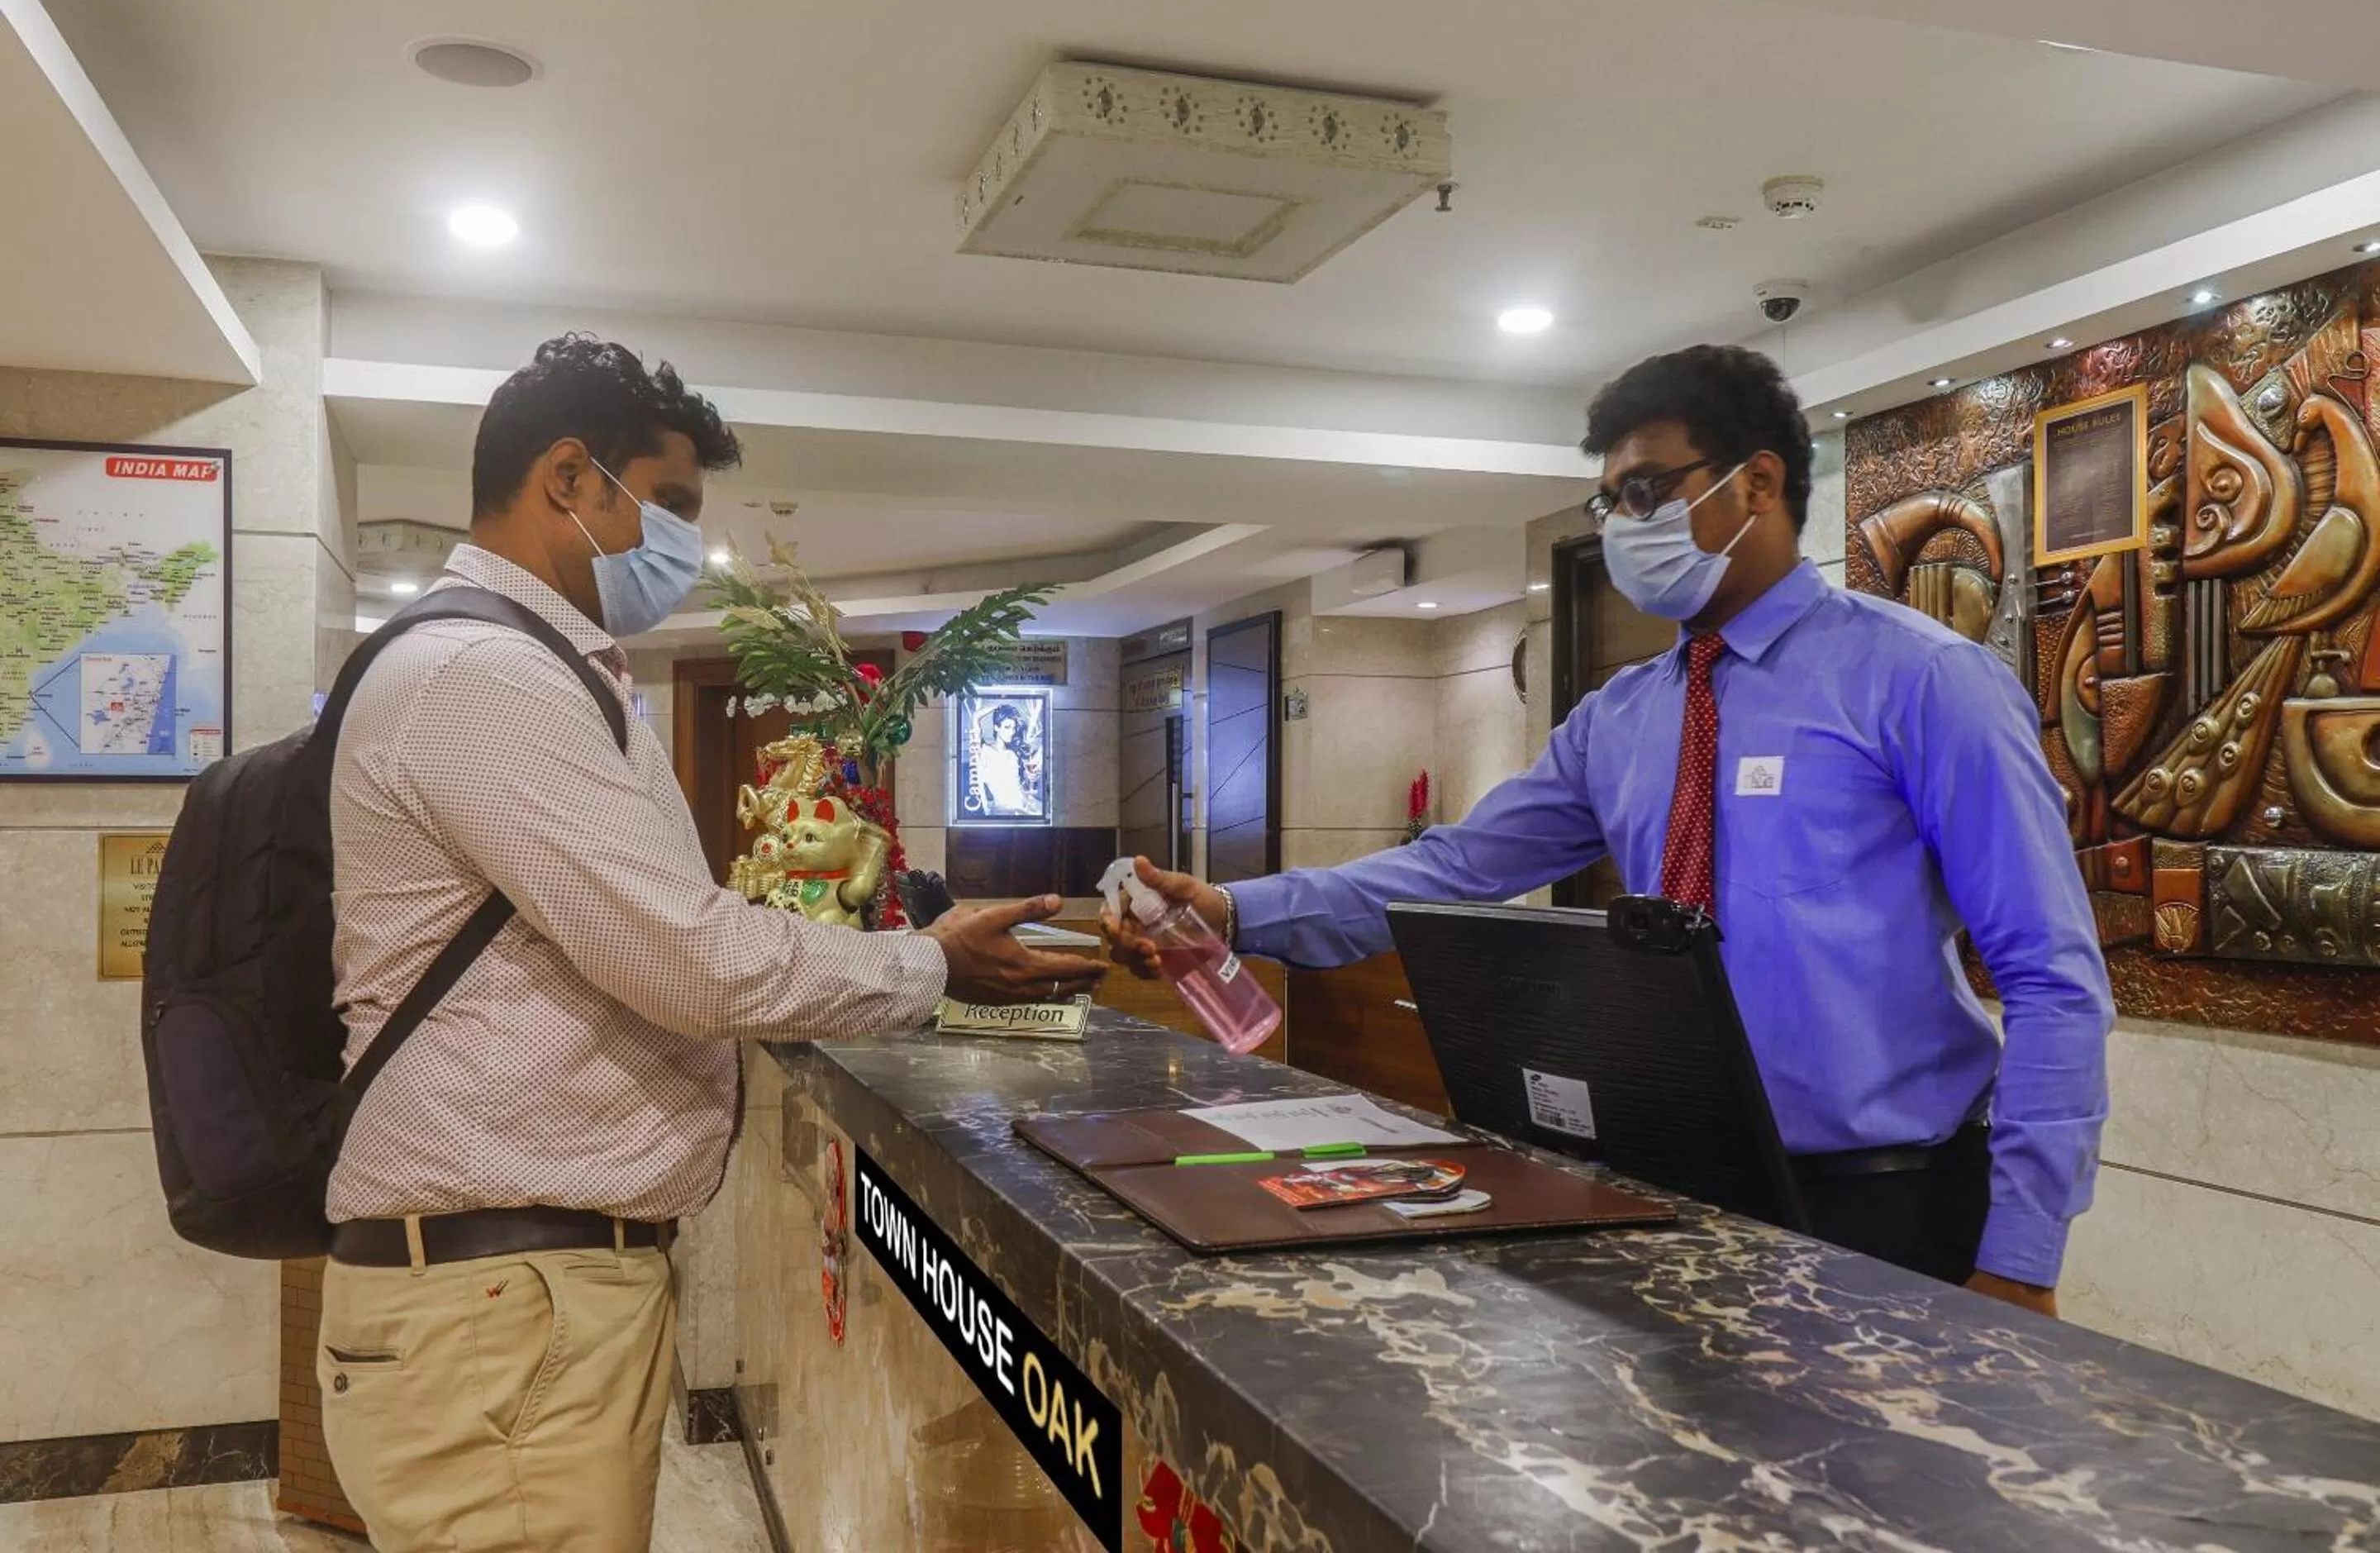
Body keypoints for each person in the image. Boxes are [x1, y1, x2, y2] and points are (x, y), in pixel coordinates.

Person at [1109, 344, 2112, 1318]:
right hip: (1666, 1190)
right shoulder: (1622, 717)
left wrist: (2021, 1257)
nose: (1623, 524)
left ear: (1756, 482)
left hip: (1885, 1202)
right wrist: (1237, 911)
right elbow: (1453, 870)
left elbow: (2051, 973)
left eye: (1644, 493)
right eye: (1612, 502)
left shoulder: (1921, 680)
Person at [318, 334, 1106, 1552]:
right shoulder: (482, 675)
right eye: (671, 505)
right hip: (502, 1306)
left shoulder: (540, 671)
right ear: (570, 479)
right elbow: (687, 960)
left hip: (524, 1297)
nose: (682, 542)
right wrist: (931, 961)